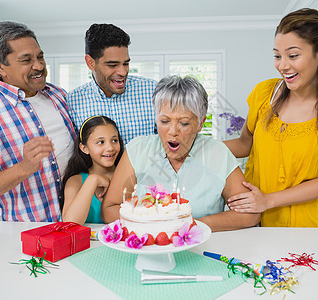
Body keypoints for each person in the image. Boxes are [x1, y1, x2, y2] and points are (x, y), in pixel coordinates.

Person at [225, 8, 318, 227]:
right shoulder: (264, 94)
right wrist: (198, 147)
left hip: (301, 232)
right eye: (277, 56)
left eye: (293, 55)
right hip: (252, 226)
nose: (283, 65)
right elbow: (245, 144)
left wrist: (267, 201)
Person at [102, 75, 260, 232]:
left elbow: (250, 214)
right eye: (164, 121)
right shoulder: (138, 149)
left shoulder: (218, 153)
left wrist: (192, 225)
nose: (173, 131)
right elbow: (109, 209)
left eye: (184, 123)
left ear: (200, 124)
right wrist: (154, 223)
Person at [0, 21, 76, 222]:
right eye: (26, 60)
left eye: (40, 56)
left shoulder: (59, 95)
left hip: (80, 226)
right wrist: (24, 167)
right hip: (29, 233)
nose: (38, 66)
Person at [68, 23, 157, 145]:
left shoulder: (152, 91)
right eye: (112, 65)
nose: (123, 72)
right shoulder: (73, 101)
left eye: (126, 63)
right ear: (90, 63)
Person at [61, 115, 124, 225]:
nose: (110, 148)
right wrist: (93, 180)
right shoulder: (75, 181)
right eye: (100, 142)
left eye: (114, 140)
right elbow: (70, 223)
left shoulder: (128, 175)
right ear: (84, 148)